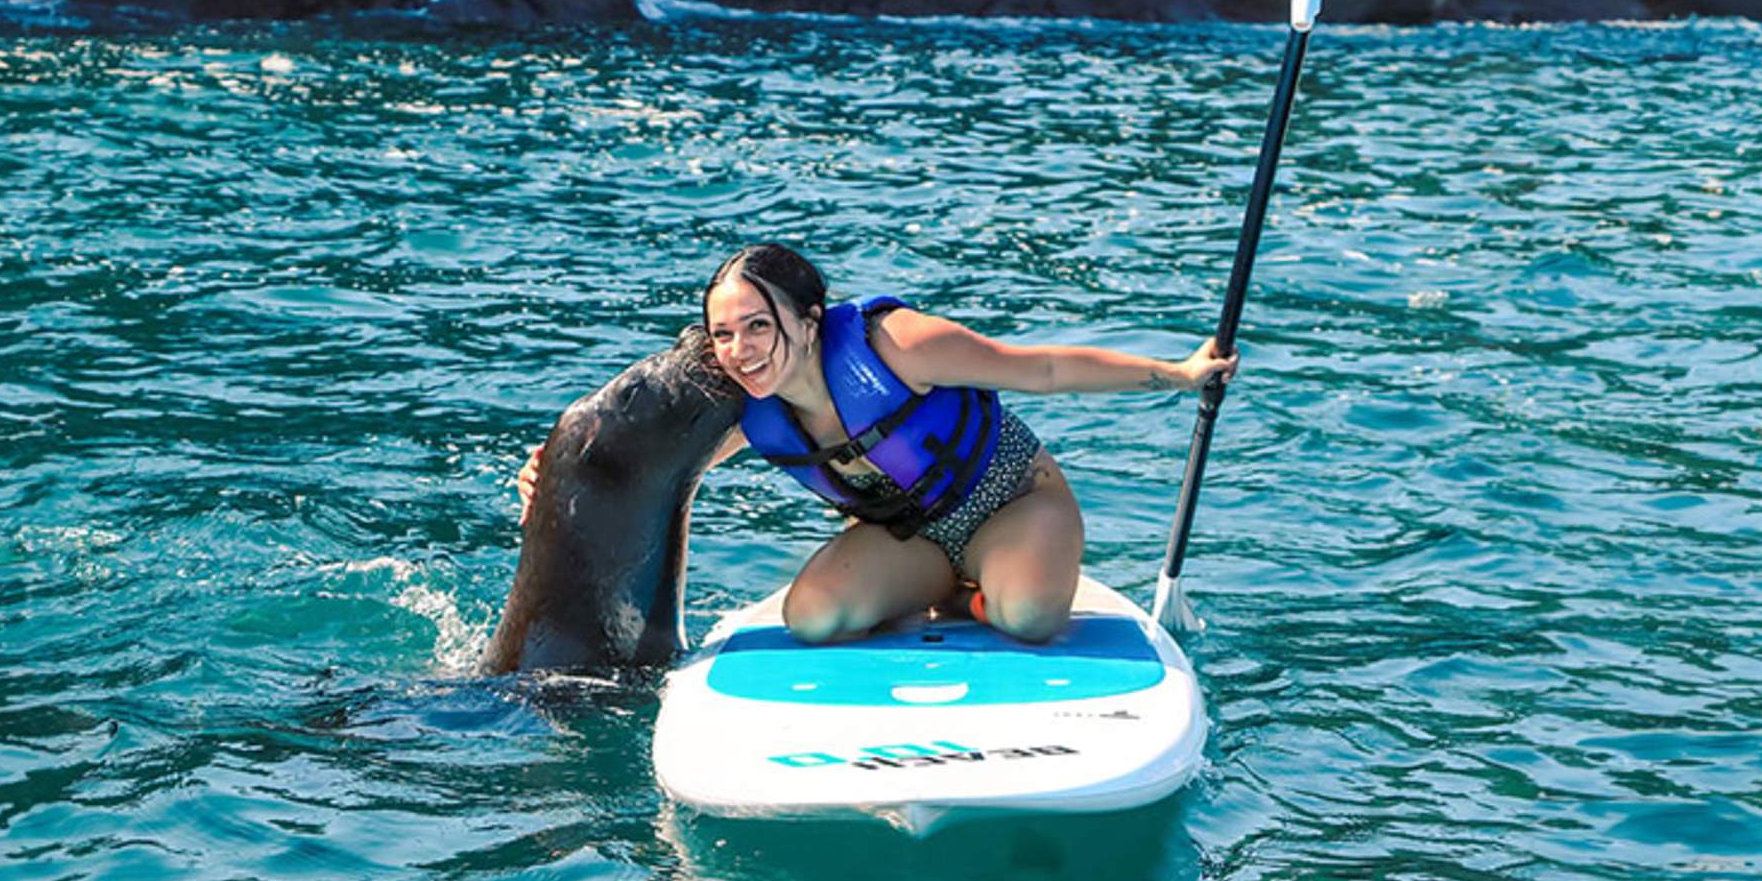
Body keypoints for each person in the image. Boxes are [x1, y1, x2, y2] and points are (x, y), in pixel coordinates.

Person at [517, 243, 1237, 644]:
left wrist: (1177, 374)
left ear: (808, 319)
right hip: (909, 536)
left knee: (1031, 618)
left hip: (1011, 504)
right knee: (814, 618)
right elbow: (652, 465)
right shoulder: (754, 410)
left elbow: (1042, 369)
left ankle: (992, 588)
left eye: (759, 326)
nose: (739, 350)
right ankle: (953, 595)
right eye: (724, 334)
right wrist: (551, 486)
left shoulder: (894, 347)